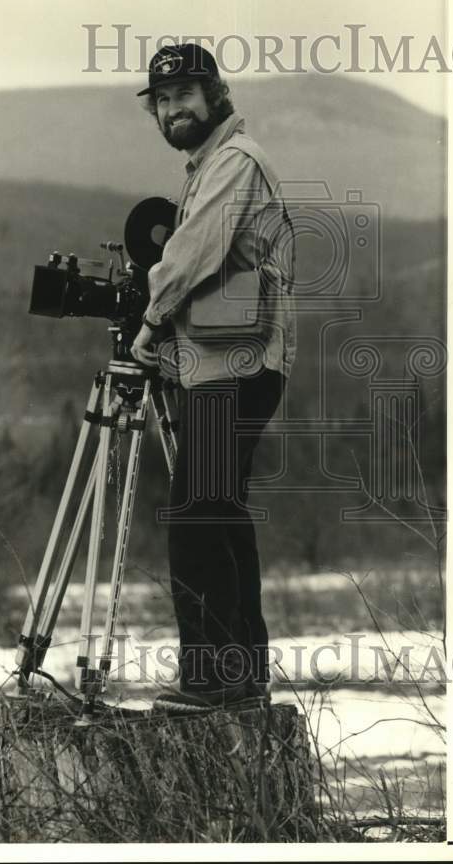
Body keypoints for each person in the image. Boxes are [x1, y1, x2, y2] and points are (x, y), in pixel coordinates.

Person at [130, 43, 296, 711]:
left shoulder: (233, 161)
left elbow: (195, 250)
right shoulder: (209, 166)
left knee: (196, 514)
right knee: (219, 511)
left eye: (186, 95)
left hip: (237, 366)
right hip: (225, 364)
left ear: (215, 95)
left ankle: (210, 677)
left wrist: (150, 320)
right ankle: (243, 675)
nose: (174, 109)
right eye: (163, 101)